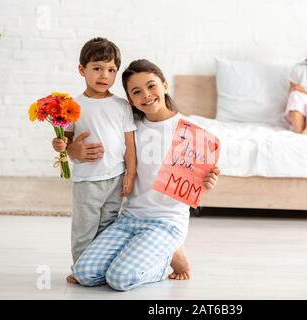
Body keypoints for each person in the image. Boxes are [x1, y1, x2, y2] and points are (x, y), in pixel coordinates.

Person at [70, 59, 220, 291]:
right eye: (136, 92)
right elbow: (104, 151)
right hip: (129, 218)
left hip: (166, 223)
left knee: (119, 279)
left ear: (164, 85)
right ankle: (142, 252)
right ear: (130, 100)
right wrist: (73, 150)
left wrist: (208, 180)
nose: (146, 95)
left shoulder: (190, 131)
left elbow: (196, 180)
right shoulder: (131, 127)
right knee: (84, 273)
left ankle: (166, 258)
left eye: (152, 86)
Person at [51, 37, 137, 284]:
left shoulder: (122, 106)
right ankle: (80, 268)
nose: (104, 75)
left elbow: (130, 145)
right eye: (97, 68)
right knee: (84, 228)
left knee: (108, 226)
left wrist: (130, 175)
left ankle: (100, 266)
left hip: (115, 178)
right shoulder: (73, 106)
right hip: (88, 180)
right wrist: (65, 148)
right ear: (82, 70)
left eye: (111, 70)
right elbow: (64, 141)